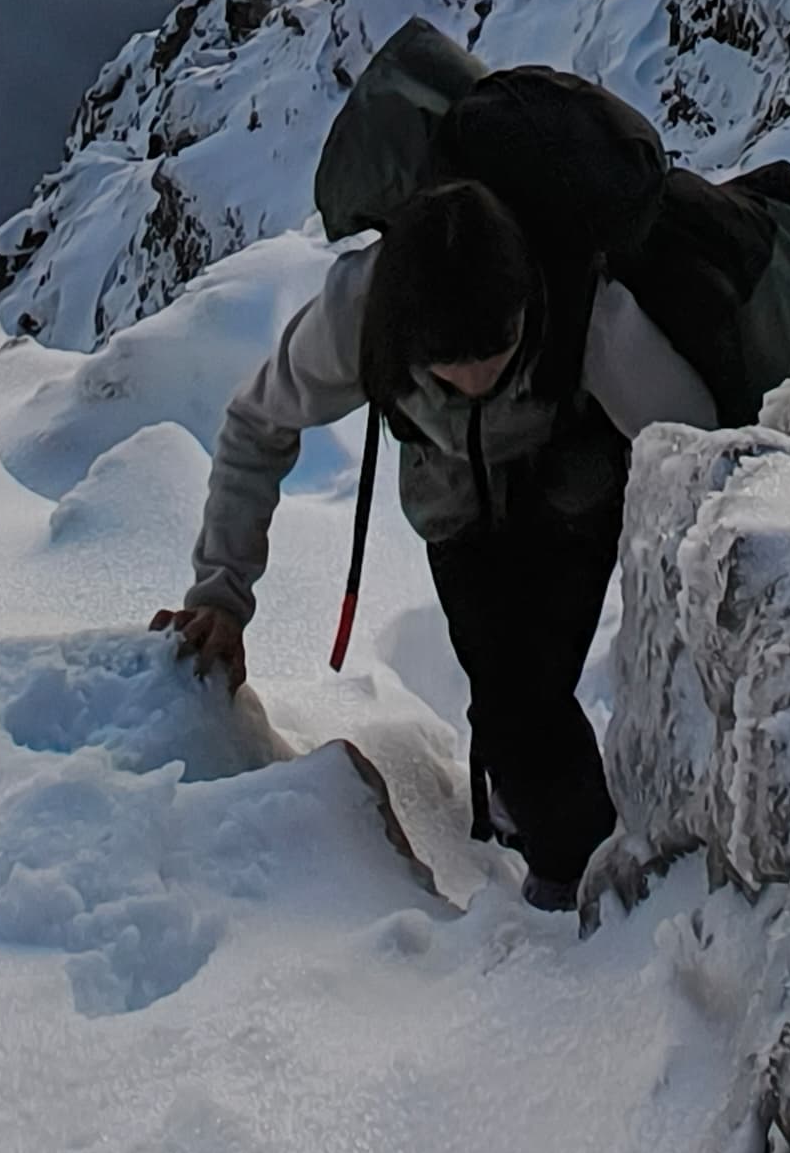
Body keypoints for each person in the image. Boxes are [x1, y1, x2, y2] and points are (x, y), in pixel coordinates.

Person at [153, 163, 716, 909]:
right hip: (453, 503)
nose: (477, 381)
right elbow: (257, 424)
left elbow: (700, 452)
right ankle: (560, 852)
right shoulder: (358, 311)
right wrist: (220, 594)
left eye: (497, 359)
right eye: (450, 374)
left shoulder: (591, 313)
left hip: (573, 487)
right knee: (504, 687)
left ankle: (578, 885)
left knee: (524, 698)